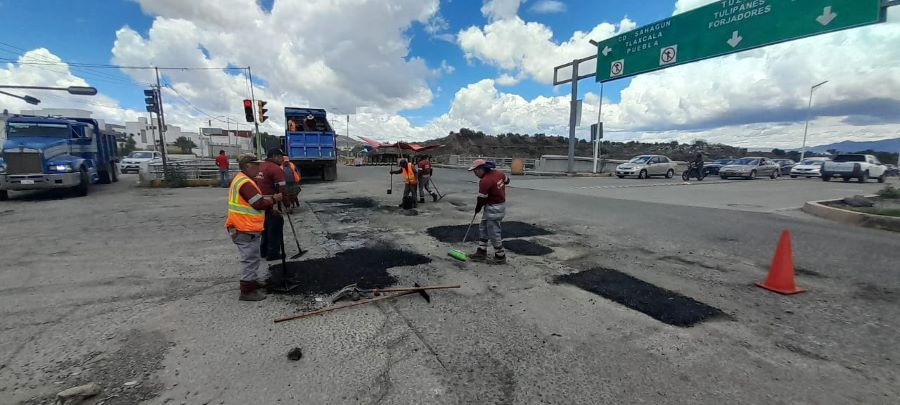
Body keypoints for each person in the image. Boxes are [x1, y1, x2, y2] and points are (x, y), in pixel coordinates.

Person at [225, 154, 283, 301]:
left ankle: (252, 281)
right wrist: (274, 200)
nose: (259, 167)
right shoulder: (245, 183)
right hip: (244, 227)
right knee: (250, 259)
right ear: (247, 166)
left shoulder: (244, 179)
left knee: (253, 257)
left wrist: (270, 208)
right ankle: (247, 290)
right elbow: (258, 204)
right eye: (256, 165)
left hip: (244, 226)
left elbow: (256, 201)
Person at [468, 159, 510, 264]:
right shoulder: (499, 173)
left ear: (483, 168)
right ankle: (481, 251)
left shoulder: (485, 181)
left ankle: (500, 256)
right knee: (483, 228)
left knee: (493, 232)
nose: (475, 173)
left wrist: (477, 209)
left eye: (476, 170)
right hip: (496, 205)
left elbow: (481, 199)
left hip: (494, 208)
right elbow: (507, 180)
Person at [256, 148, 287, 261]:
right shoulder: (275, 168)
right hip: (271, 203)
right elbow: (282, 188)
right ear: (274, 156)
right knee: (275, 226)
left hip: (260, 203)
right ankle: (273, 253)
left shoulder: (261, 166)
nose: (282, 159)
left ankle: (264, 251)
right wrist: (285, 202)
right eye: (280, 156)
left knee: (265, 227)